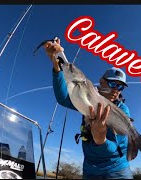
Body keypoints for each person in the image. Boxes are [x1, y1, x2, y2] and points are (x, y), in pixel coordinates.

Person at [44, 38, 133, 179]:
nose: (116, 90)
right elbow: (63, 97)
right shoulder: (85, 98)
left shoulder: (123, 110)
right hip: (90, 169)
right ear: (102, 81)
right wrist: (57, 66)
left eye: (120, 87)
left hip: (117, 170)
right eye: (112, 84)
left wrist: (100, 139)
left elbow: (116, 148)